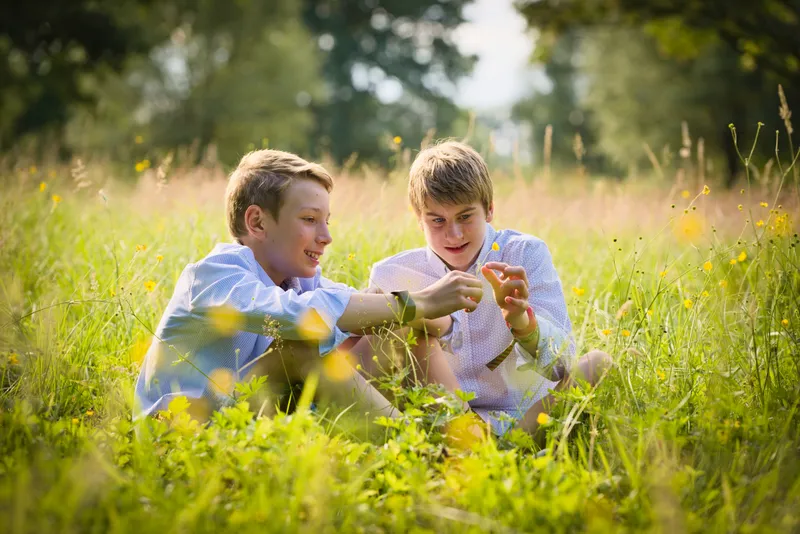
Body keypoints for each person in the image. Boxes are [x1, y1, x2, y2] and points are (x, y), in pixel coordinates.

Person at [133, 149, 483, 422]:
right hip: (182, 429)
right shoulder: (214, 277)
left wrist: (425, 309)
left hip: (256, 420)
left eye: (326, 221)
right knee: (303, 347)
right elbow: (299, 317)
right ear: (257, 222)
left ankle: (463, 438)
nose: (327, 237)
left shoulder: (299, 282)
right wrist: (418, 304)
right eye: (310, 220)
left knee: (390, 330)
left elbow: (366, 309)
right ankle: (418, 453)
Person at [364, 141, 612, 436]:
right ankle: (478, 442)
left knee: (598, 364)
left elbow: (563, 364)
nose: (454, 234)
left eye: (465, 217)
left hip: (527, 413)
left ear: (490, 209)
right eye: (437, 220)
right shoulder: (391, 274)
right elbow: (370, 365)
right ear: (419, 219)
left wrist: (523, 324)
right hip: (444, 416)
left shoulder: (524, 254)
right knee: (413, 328)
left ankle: (511, 442)